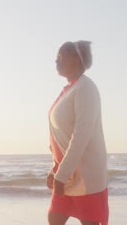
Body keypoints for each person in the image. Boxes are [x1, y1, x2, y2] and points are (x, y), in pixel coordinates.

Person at [46, 41, 109, 225]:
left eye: (60, 57)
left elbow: (81, 135)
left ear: (75, 59)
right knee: (54, 218)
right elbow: (60, 137)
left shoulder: (85, 88)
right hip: (66, 172)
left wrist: (61, 174)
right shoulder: (69, 89)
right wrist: (55, 168)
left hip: (85, 176)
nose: (55, 61)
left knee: (88, 222)